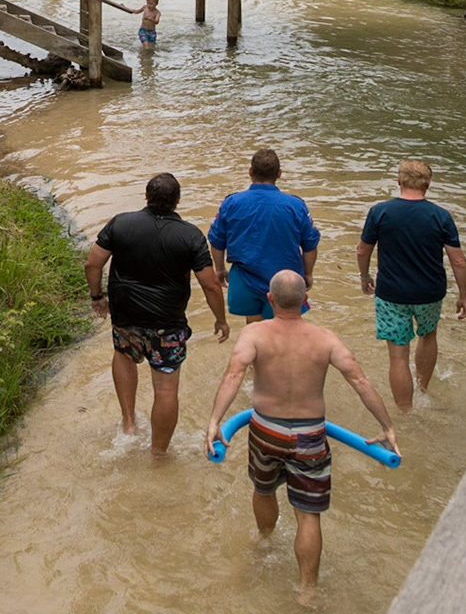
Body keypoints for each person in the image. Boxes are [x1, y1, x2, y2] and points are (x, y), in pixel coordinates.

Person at [205, 271, 398, 597]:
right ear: (304, 299)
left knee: (263, 491)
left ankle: (265, 543)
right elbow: (359, 381)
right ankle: (307, 589)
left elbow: (234, 373)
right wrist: (387, 426)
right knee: (309, 517)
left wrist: (215, 421)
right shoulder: (325, 338)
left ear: (270, 299)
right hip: (311, 436)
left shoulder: (254, 333)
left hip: (266, 430)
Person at [86, 172, 229, 453]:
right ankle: (158, 453)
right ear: (177, 201)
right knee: (165, 389)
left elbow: (93, 264)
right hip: (168, 324)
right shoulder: (190, 235)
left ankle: (128, 425)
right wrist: (220, 319)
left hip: (126, 317)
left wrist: (97, 297)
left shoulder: (120, 223)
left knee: (124, 357)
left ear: (146, 197)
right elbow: (211, 284)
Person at [356, 158, 466, 411]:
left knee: (398, 354)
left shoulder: (380, 212)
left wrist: (364, 277)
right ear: (429, 184)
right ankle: (422, 390)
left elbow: (363, 250)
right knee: (428, 335)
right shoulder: (440, 216)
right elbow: (459, 261)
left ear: (399, 182)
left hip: (391, 293)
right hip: (429, 293)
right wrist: (464, 295)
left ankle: (405, 411)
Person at [207, 149, 320, 324]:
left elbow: (217, 240)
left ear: (250, 171)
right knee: (284, 329)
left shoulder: (231, 203)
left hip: (245, 279)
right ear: (279, 174)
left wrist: (220, 268)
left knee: (253, 328)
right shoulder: (295, 206)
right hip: (285, 282)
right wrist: (308, 273)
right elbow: (310, 245)